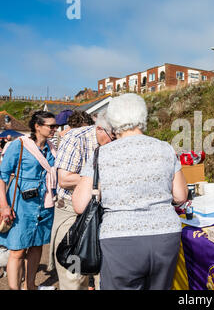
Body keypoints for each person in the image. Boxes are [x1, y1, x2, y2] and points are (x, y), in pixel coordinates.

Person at [72, 93, 188, 290]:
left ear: (113, 121)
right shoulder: (165, 148)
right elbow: (180, 195)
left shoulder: (102, 154)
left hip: (120, 238)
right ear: (143, 116)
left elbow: (79, 204)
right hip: (165, 236)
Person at [48, 110, 114, 290]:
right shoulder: (76, 138)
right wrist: (98, 179)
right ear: (100, 128)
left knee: (105, 273)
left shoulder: (116, 139)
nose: (115, 141)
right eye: (112, 136)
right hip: (71, 211)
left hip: (104, 211)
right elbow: (64, 179)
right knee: (74, 275)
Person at [0, 111, 58, 290]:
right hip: (21, 205)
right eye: (51, 126)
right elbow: (1, 176)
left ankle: (30, 286)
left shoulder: (52, 147)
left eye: (55, 126)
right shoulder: (19, 146)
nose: (54, 129)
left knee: (36, 247)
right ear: (37, 126)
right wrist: (4, 206)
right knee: (17, 250)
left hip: (45, 204)